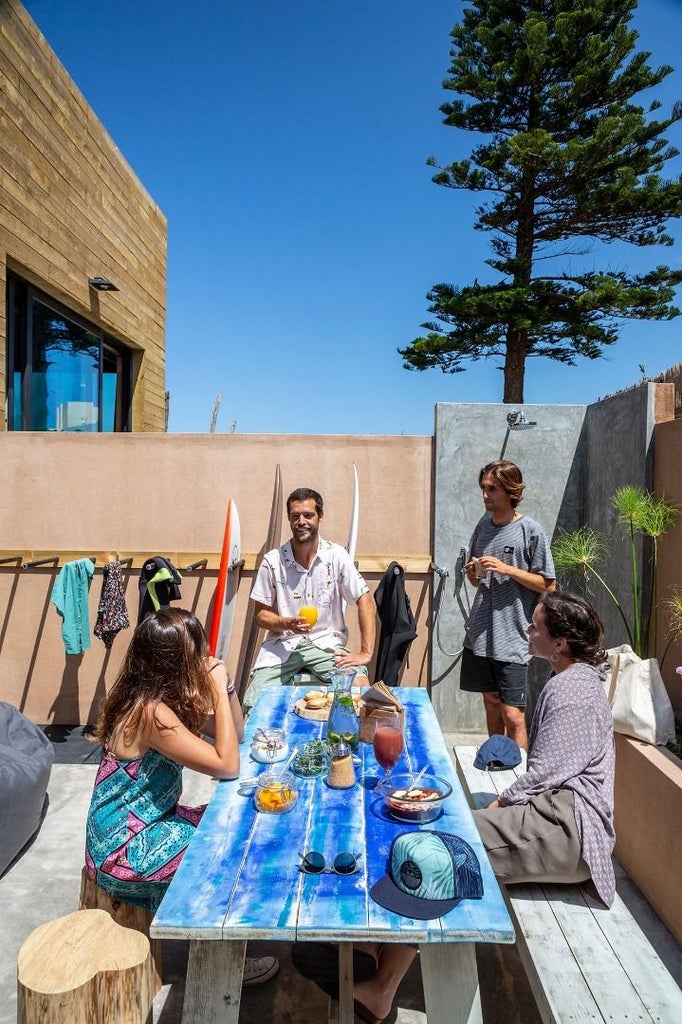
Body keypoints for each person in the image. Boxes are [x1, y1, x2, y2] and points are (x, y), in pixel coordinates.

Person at [85, 607, 279, 987]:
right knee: (225, 847)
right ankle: (220, 965)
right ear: (177, 661)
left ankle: (219, 938)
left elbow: (235, 735)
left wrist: (224, 688)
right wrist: (217, 686)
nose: (204, 658)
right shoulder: (152, 714)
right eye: (196, 651)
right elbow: (228, 764)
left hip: (148, 827)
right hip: (123, 848)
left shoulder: (162, 700)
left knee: (237, 816)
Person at [473, 590, 616, 907]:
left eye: (535, 627)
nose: (528, 631)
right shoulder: (573, 679)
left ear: (559, 643)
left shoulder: (573, 691)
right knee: (459, 818)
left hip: (568, 832)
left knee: (455, 834)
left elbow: (543, 776)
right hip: (558, 818)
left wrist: (497, 806)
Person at [242, 486, 376, 711]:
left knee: (359, 691)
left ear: (320, 517)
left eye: (308, 515)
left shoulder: (336, 556)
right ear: (289, 519)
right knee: (253, 703)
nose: (301, 521)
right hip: (282, 646)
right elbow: (260, 615)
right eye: (295, 516)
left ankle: (344, 742)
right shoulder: (273, 561)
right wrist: (287, 623)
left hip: (327, 644)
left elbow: (365, 599)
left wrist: (366, 652)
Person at [462, 459, 556, 748]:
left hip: (513, 636)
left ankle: (521, 782)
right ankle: (496, 762)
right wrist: (473, 574)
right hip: (481, 633)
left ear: (510, 491)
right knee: (491, 704)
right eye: (484, 488)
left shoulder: (530, 530)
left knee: (513, 714)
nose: (485, 495)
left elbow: (548, 584)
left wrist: (508, 569)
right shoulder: (483, 526)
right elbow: (477, 582)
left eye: (493, 488)